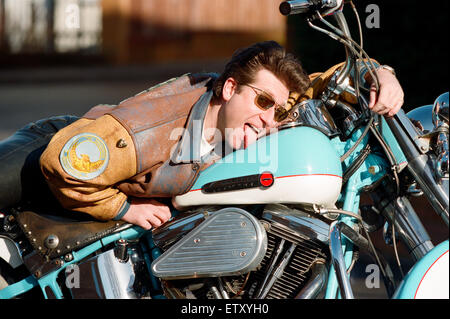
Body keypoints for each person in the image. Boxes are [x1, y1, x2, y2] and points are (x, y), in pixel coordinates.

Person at [0, 41, 404, 230]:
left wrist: (379, 74)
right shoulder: (148, 134)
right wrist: (125, 210)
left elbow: (326, 81)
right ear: (229, 89)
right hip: (68, 145)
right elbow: (62, 164)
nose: (270, 119)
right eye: (263, 102)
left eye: (279, 110)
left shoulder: (259, 108)